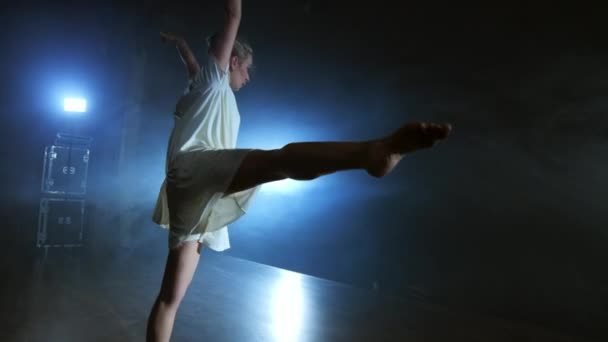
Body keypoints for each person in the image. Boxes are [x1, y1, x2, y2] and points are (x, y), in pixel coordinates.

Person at [146, 1, 452, 341]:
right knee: (279, 160)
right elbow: (234, 14)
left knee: (169, 300)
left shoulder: (198, 88)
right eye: (246, 68)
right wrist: (217, 25)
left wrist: (181, 45)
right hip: (198, 168)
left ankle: (371, 153)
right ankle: (371, 152)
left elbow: (191, 65)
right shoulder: (216, 79)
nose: (247, 77)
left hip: (184, 188)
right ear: (232, 60)